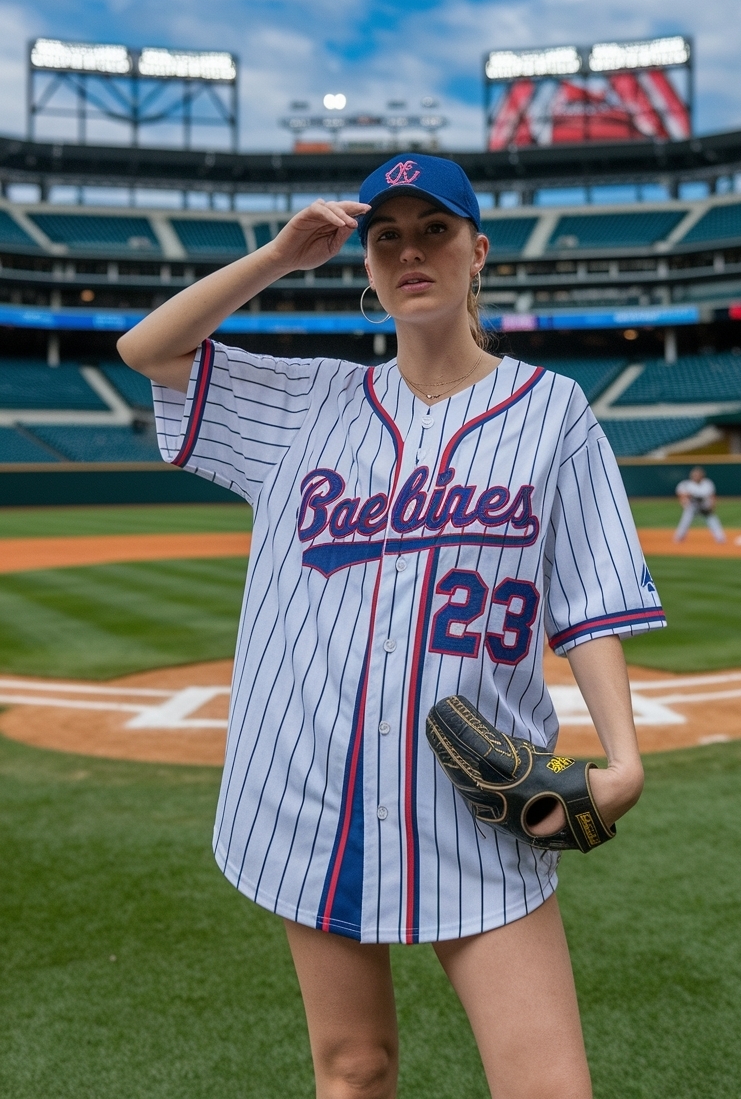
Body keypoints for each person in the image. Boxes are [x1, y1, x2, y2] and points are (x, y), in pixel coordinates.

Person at [118, 153, 666, 1099]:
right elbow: (149, 352)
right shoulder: (306, 403)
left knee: (549, 1087)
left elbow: (590, 596)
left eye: (435, 230)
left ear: (478, 251)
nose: (411, 251)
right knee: (355, 1068)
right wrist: (279, 257)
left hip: (480, 797)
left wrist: (624, 756)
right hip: (308, 790)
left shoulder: (555, 414)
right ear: (366, 267)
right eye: (387, 237)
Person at [673, 465, 726, 543]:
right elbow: (681, 495)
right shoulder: (686, 484)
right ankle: (679, 537)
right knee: (685, 520)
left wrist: (712, 506)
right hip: (692, 507)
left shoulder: (707, 483)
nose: (696, 476)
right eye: (695, 475)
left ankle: (720, 538)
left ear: (702, 476)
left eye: (698, 475)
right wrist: (684, 503)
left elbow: (712, 496)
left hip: (704, 506)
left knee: (713, 520)